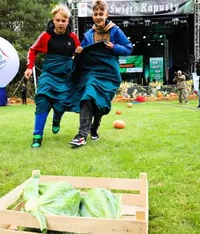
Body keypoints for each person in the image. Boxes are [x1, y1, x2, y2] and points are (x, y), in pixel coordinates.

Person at [69, 0, 132, 147]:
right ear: (92, 15)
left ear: (106, 15)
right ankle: (81, 135)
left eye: (101, 14)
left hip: (110, 73)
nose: (98, 17)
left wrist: (114, 47)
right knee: (87, 96)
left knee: (100, 104)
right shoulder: (89, 34)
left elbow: (128, 48)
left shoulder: (115, 31)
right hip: (92, 72)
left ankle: (95, 127)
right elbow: (83, 51)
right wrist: (78, 51)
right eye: (95, 14)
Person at [24, 4, 81, 148]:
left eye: (63, 20)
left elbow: (80, 55)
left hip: (66, 76)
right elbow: (32, 50)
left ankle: (56, 119)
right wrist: (29, 67)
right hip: (49, 74)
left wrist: (80, 54)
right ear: (53, 20)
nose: (61, 23)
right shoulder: (45, 36)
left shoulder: (73, 38)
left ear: (68, 21)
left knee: (61, 105)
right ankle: (37, 136)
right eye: (58, 20)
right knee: (43, 100)